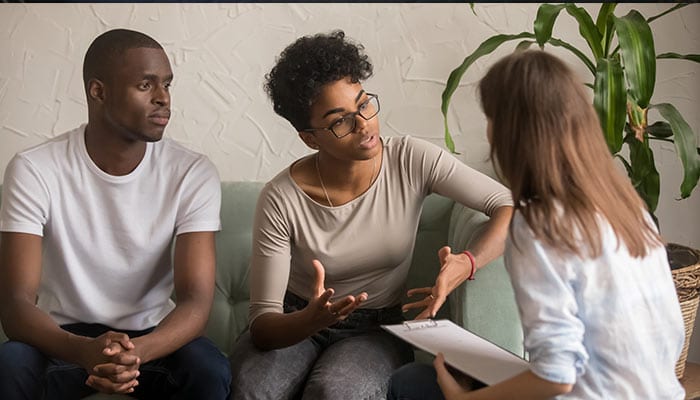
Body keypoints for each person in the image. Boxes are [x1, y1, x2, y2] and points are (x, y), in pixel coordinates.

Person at [228, 30, 513, 400]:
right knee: (253, 389)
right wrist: (309, 320)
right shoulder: (281, 198)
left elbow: (507, 205)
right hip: (294, 318)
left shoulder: (411, 159)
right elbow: (264, 326)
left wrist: (466, 262)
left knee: (338, 391)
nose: (363, 124)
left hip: (375, 329)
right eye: (340, 121)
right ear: (310, 138)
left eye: (364, 104)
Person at [388, 50, 686, 399]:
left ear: (511, 131)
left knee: (411, 382)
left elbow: (558, 377)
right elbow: (667, 335)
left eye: (491, 117)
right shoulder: (627, 207)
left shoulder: (538, 228)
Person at [0, 29, 231, 399]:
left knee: (209, 369)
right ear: (98, 91)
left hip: (154, 338)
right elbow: (15, 305)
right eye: (145, 85)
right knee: (10, 365)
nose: (163, 99)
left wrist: (136, 353)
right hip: (62, 338)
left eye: (167, 85)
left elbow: (196, 301)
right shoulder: (34, 168)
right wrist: (83, 352)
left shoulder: (191, 171)